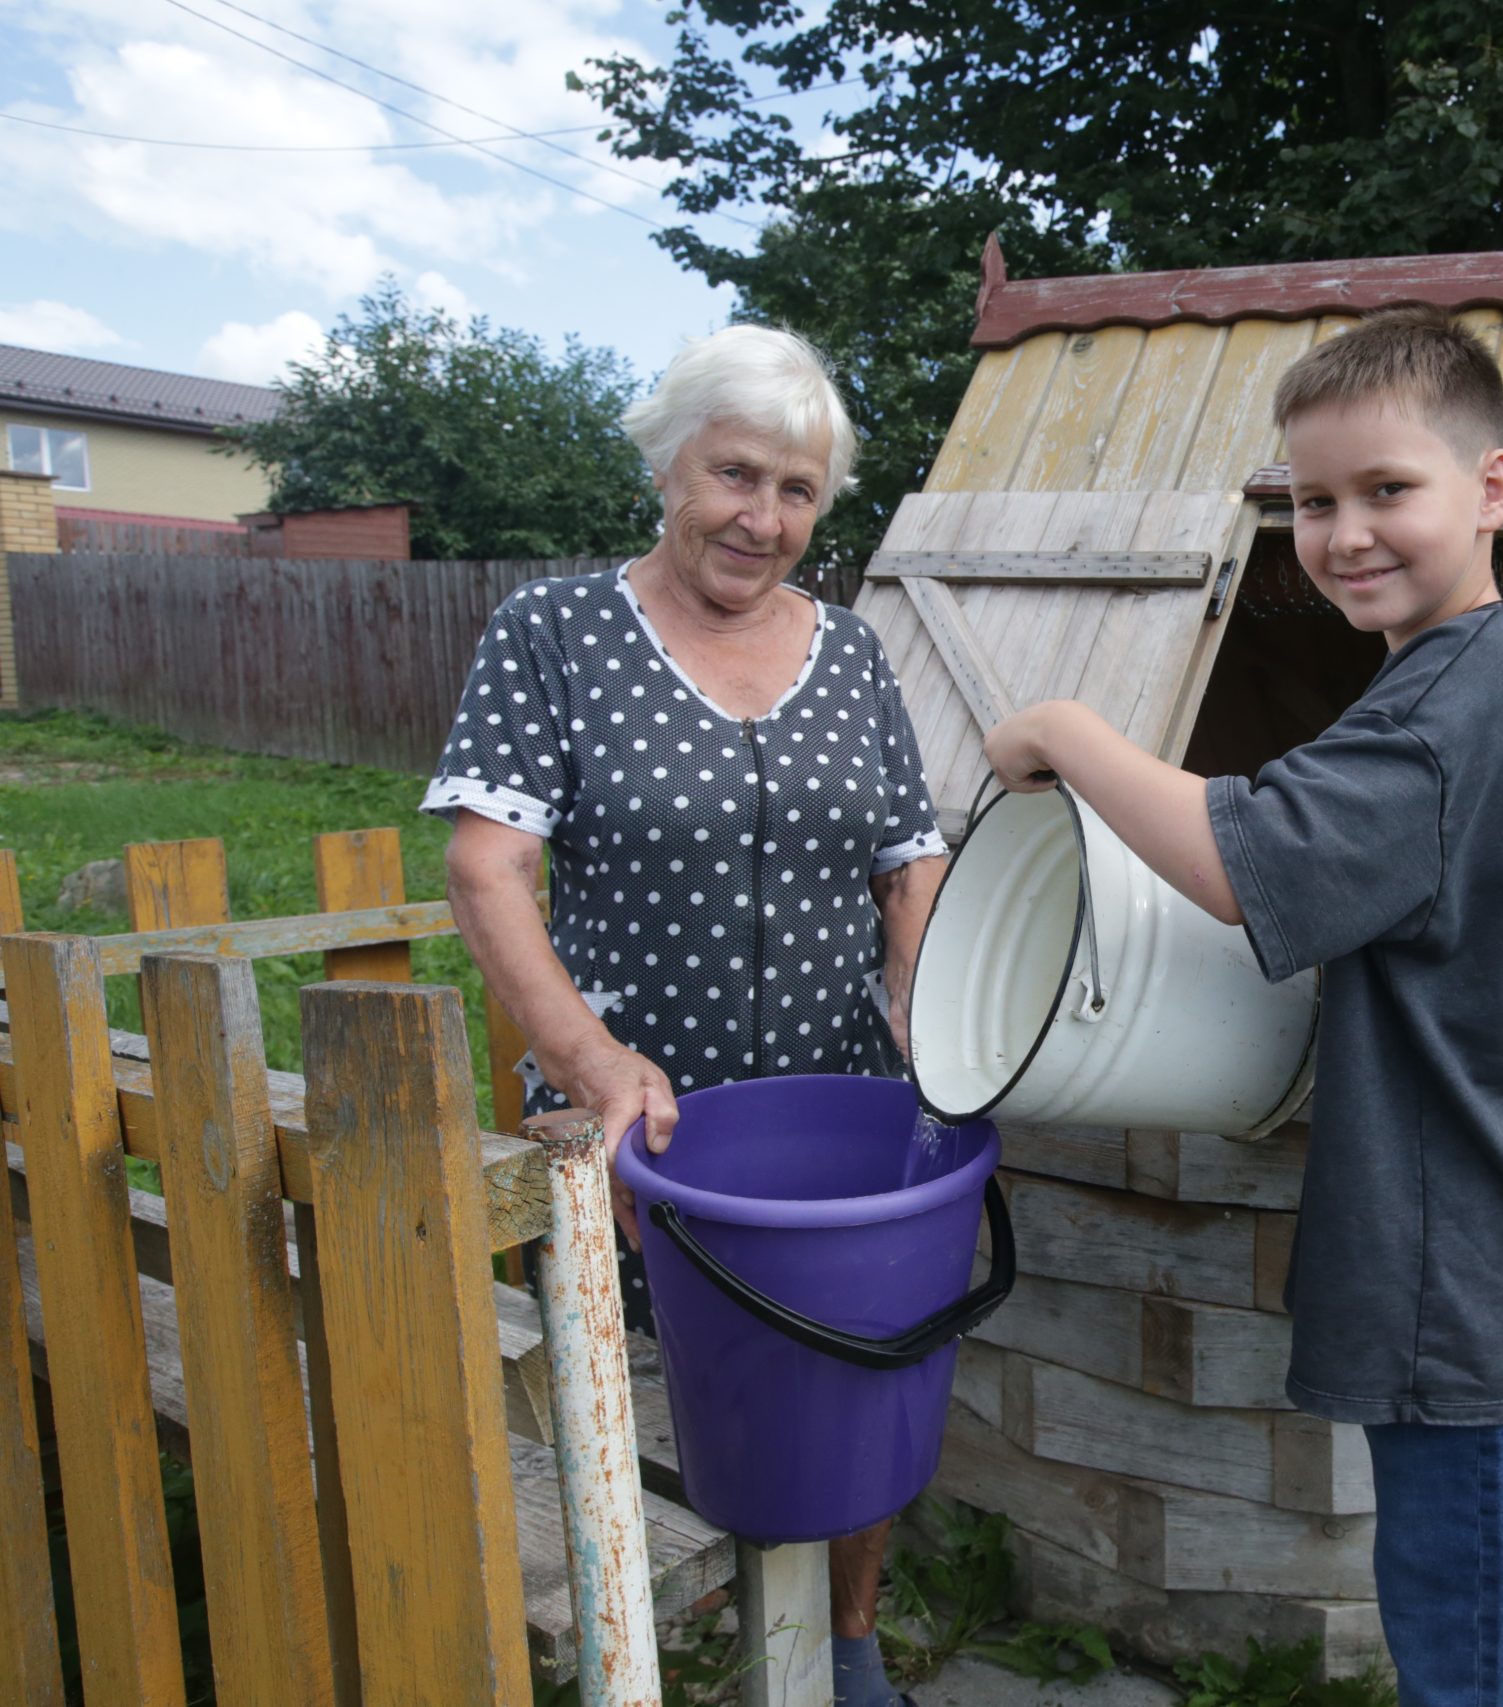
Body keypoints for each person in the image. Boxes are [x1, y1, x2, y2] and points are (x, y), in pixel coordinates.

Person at [981, 307, 1503, 1705]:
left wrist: (1071, 735)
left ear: (1493, 487)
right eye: (1314, 501)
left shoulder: (1461, 697)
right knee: (1474, 1623)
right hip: (1491, 1226)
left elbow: (1236, 861)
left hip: (1472, 1250)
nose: (1344, 533)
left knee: (1475, 1652)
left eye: (1388, 489)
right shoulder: (1461, 673)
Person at [425, 323, 943, 1707]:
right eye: (734, 475)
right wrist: (588, 1062)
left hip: (839, 1105)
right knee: (655, 1402)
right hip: (643, 1114)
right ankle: (646, 1653)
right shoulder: (555, 633)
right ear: (668, 464)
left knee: (855, 1376)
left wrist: (931, 1019)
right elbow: (487, 863)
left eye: (796, 492)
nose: (760, 519)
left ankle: (843, 1642)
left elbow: (910, 858)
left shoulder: (854, 652)